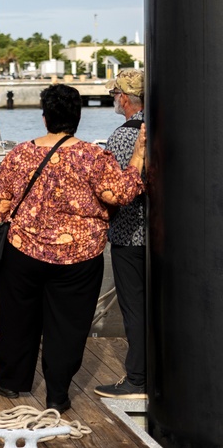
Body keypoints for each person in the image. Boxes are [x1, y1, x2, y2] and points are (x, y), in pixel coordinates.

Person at [0, 83, 146, 413]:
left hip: (22, 251)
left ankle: (12, 381)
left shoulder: (18, 155)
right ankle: (57, 393)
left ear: (44, 118)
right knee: (68, 326)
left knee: (18, 320)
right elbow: (120, 195)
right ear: (78, 118)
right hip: (79, 256)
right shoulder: (93, 156)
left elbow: (0, 207)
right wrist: (140, 155)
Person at [94, 69, 148, 400]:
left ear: (124, 98)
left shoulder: (123, 136)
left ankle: (137, 378)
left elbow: (111, 190)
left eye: (115, 94)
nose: (114, 99)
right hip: (160, 235)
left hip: (130, 235)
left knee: (135, 306)